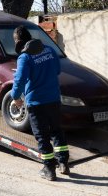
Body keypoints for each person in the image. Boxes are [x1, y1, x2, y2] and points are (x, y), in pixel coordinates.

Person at [11, 25, 70, 181]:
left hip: (36, 103)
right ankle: (63, 163)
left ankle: (49, 169)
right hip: (54, 99)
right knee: (57, 130)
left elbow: (20, 80)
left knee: (42, 136)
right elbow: (57, 70)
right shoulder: (50, 51)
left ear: (18, 42)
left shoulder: (24, 57)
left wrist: (15, 96)